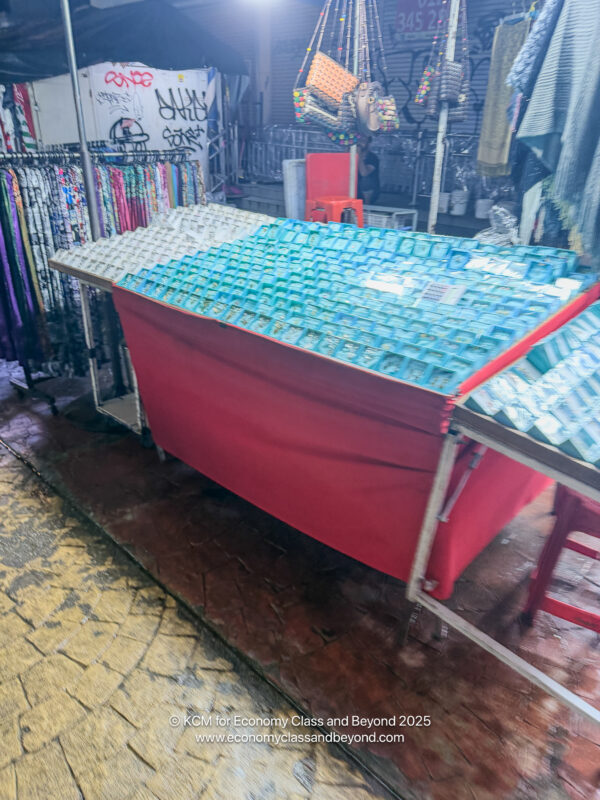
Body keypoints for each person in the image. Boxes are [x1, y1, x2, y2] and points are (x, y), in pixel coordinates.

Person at [357, 136, 380, 205]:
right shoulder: (352, 156)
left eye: (363, 141)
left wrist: (359, 154)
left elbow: (364, 173)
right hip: (354, 190)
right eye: (358, 141)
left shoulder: (372, 158)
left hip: (368, 192)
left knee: (365, 179)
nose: (360, 143)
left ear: (368, 142)